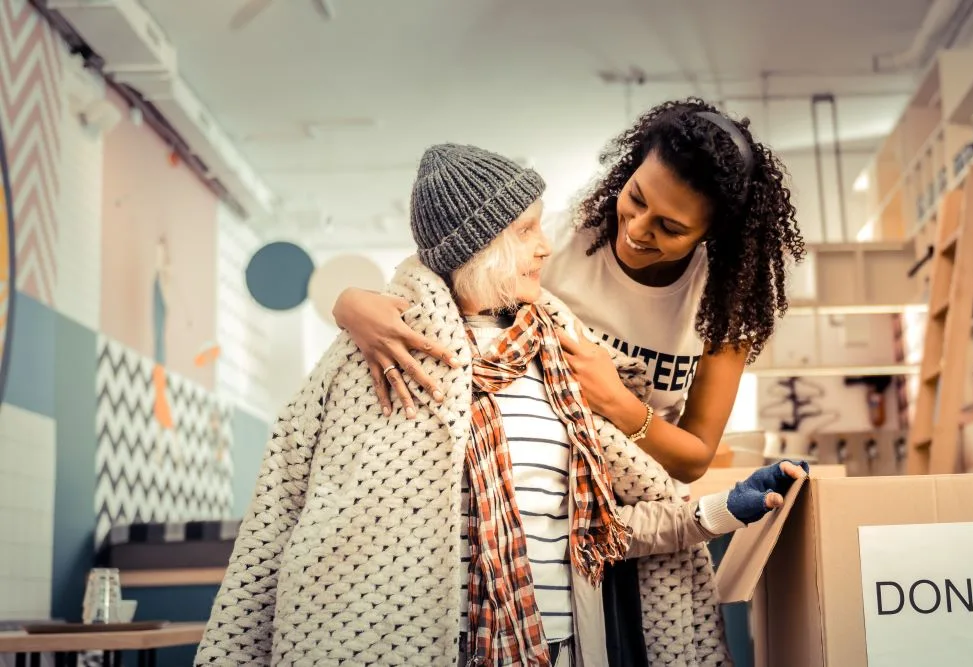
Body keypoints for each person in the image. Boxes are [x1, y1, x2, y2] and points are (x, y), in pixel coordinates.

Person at [195, 143, 807, 667]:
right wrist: (348, 302)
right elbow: (283, 523)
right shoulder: (379, 361)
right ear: (479, 248)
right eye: (525, 231)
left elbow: (599, 532)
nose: (547, 248)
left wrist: (721, 511)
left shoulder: (560, 365)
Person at [332, 98, 805, 487]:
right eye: (637, 198)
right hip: (530, 484)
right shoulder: (557, 242)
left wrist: (616, 401)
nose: (636, 230)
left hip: (635, 501)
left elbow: (694, 457)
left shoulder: (725, 306)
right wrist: (350, 303)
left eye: (670, 227)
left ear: (711, 233)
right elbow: (440, 281)